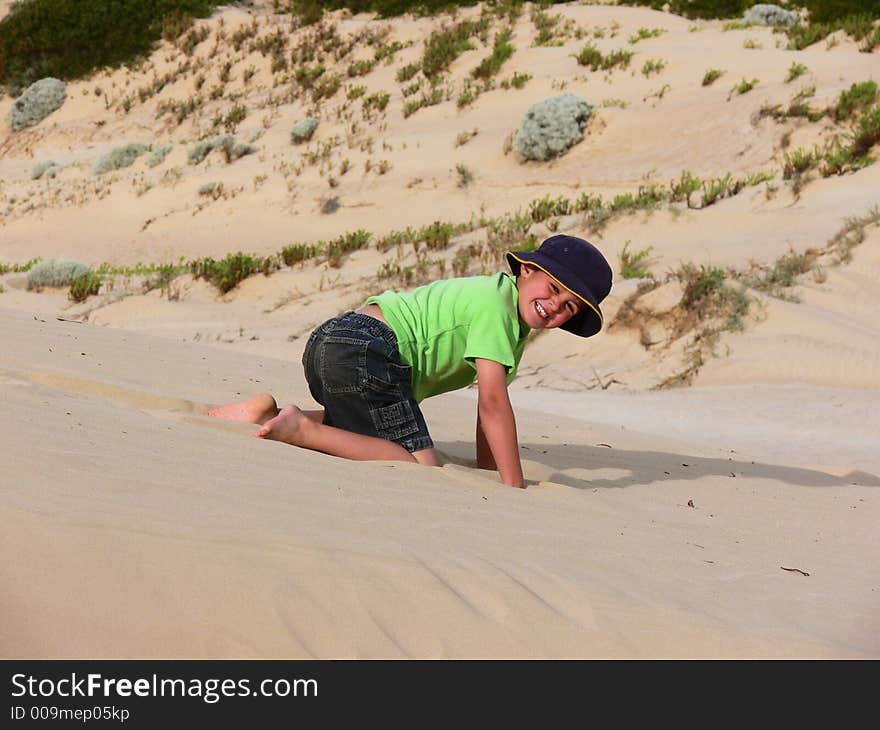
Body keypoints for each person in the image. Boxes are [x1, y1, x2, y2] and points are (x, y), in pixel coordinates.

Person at [207, 234, 612, 488]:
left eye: (569, 306)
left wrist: (491, 474)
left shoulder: (502, 308)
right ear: (526, 270)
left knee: (362, 432)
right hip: (370, 350)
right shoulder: (497, 308)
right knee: (417, 465)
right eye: (553, 288)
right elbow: (492, 404)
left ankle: (265, 413)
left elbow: (485, 413)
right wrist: (514, 488)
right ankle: (299, 428)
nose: (554, 306)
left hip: (334, 340)